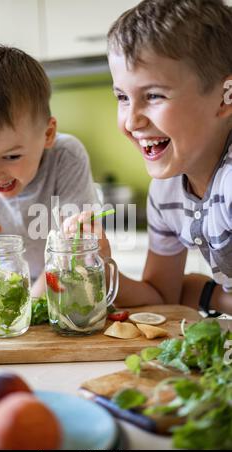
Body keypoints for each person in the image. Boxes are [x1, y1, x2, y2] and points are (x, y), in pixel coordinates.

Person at [65, 0, 232, 315]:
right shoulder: (167, 192)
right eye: (122, 98)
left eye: (154, 96)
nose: (131, 121)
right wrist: (101, 266)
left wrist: (208, 295)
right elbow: (161, 297)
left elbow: (184, 294)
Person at [0, 45, 98, 295]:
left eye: (12, 156)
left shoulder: (66, 156)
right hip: (1, 294)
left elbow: (76, 247)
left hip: (63, 289)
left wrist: (29, 304)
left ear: (47, 134)